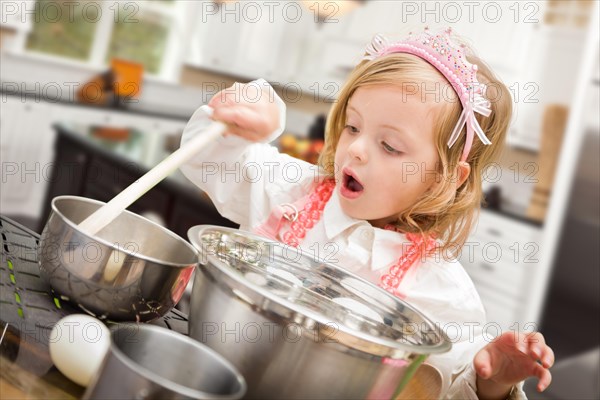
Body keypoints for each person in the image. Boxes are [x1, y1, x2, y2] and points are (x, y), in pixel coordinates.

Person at [180, 28, 554, 400]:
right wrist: (241, 119)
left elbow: (450, 386)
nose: (356, 148)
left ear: (443, 179)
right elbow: (209, 160)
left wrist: (493, 381)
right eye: (352, 126)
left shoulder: (440, 288)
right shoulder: (291, 191)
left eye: (390, 146)